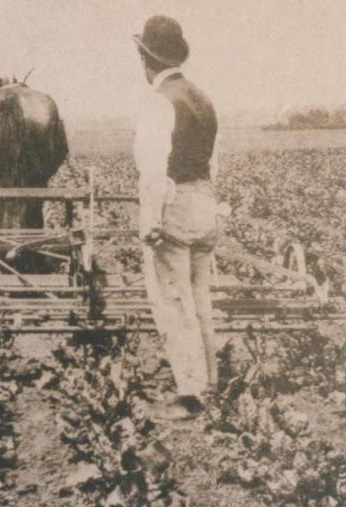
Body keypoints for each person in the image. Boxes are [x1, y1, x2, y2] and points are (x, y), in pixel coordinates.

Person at [133, 15, 225, 420]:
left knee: (173, 302)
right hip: (205, 203)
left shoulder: (158, 102)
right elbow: (213, 162)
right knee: (200, 299)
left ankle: (190, 394)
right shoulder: (202, 97)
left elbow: (154, 170)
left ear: (146, 58)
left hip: (175, 206)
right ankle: (211, 381)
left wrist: (150, 221)